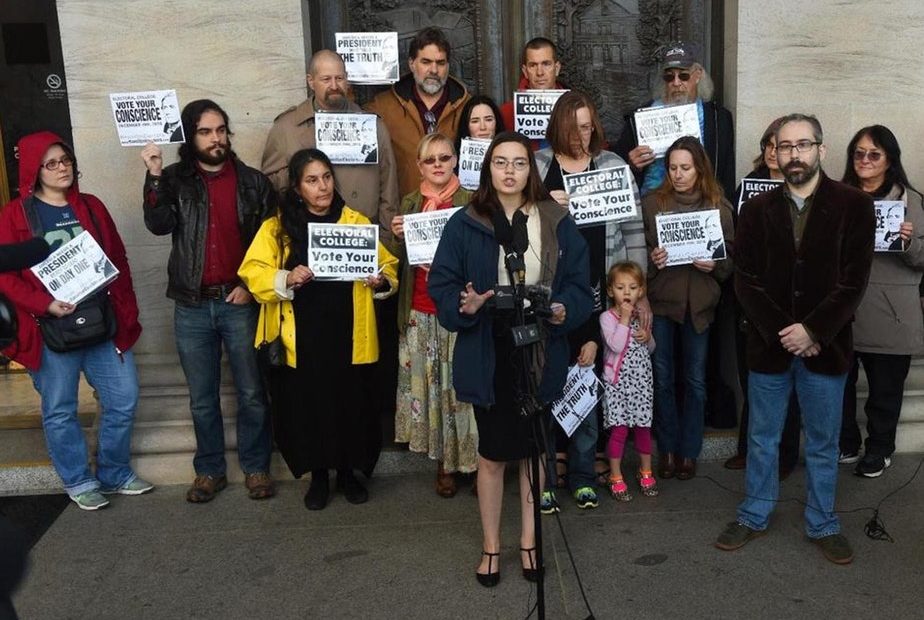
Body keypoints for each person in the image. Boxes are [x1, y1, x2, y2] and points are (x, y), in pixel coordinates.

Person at [428, 132, 592, 587]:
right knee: (495, 453)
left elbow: (580, 284)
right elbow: (441, 284)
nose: (509, 172)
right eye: (500, 162)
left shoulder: (556, 219)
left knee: (535, 450)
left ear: (531, 170)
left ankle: (530, 542)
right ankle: (490, 546)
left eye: (519, 163)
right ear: (488, 169)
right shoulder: (466, 222)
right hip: (489, 347)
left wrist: (565, 309)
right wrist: (464, 306)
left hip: (540, 345)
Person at [715, 113, 875, 565]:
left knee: (823, 442)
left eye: (803, 145)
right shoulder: (756, 209)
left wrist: (813, 331)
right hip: (769, 348)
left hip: (827, 347)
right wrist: (785, 333)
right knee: (763, 438)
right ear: (775, 153)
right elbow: (746, 281)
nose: (794, 154)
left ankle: (823, 522)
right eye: (785, 147)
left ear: (821, 150)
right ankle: (754, 513)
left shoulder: (854, 206)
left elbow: (853, 282)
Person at [238, 148, 398, 510]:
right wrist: (285, 276)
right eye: (312, 180)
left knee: (350, 404)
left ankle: (347, 473)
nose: (322, 187)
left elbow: (388, 267)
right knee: (310, 407)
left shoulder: (355, 222)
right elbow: (252, 271)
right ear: (296, 188)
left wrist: (381, 280)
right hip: (302, 336)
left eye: (326, 177)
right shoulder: (277, 228)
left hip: (348, 332)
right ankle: (319, 477)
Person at [0, 131, 152, 510]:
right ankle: (79, 479)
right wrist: (43, 304)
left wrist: (126, 310)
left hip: (102, 321)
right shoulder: (14, 215)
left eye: (65, 160)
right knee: (60, 408)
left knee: (123, 398)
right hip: (49, 328)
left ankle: (114, 473)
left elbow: (117, 257)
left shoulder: (92, 206)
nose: (61, 168)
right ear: (35, 171)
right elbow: (4, 275)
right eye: (51, 163)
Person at [141, 99, 276, 503]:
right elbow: (158, 224)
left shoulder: (254, 183)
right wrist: (152, 176)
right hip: (191, 305)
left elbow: (274, 243)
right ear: (190, 136)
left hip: (239, 303)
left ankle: (256, 468)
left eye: (220, 130)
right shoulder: (174, 180)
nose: (216, 138)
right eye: (205, 131)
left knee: (252, 391)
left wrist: (251, 287)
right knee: (202, 397)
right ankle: (210, 470)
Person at [534, 90, 647, 511]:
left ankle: (583, 467)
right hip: (548, 293)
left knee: (589, 379)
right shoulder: (539, 166)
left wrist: (639, 293)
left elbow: (633, 230)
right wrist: (545, 204)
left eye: (587, 126)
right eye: (573, 127)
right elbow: (517, 219)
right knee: (546, 382)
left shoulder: (613, 165)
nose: (582, 134)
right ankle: (546, 467)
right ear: (557, 127)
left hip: (602, 290)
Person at [390, 134, 477, 497]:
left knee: (462, 390)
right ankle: (444, 463)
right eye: (430, 160)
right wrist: (397, 236)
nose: (438, 165)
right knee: (434, 392)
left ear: (455, 160)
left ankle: (474, 462)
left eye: (444, 157)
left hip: (457, 310)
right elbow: (400, 262)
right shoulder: (411, 204)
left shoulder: (471, 202)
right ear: (419, 166)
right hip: (420, 308)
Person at [643, 136, 734, 481]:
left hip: (699, 305)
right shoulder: (652, 203)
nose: (678, 174)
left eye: (685, 168)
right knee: (663, 378)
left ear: (700, 169)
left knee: (695, 380)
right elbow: (639, 256)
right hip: (663, 302)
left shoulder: (719, 207)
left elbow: (731, 262)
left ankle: (689, 451)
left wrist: (717, 265)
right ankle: (666, 448)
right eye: (672, 168)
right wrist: (653, 262)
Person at [839, 125, 924, 477]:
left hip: (891, 311)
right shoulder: (837, 197)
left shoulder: (911, 200)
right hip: (843, 309)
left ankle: (879, 449)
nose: (865, 160)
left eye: (874, 154)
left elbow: (922, 258)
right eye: (858, 153)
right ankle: (845, 443)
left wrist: (907, 242)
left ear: (889, 160)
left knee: (885, 391)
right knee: (836, 386)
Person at [724, 118, 802, 478]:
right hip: (750, 300)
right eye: (770, 146)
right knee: (752, 376)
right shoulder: (746, 189)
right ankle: (748, 448)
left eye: (782, 146)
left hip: (791, 300)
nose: (775, 153)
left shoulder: (804, 192)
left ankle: (785, 454)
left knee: (789, 380)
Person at [261, 49, 399, 239]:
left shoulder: (373, 126)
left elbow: (389, 189)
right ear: (311, 81)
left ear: (347, 79)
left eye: (339, 78)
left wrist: (386, 241)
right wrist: (300, 175)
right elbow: (268, 188)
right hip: (305, 239)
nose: (334, 86)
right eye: (326, 79)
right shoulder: (286, 127)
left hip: (362, 238)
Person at [366, 26, 471, 198]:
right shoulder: (383, 106)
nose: (434, 70)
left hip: (455, 214)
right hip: (403, 213)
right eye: (426, 62)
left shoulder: (468, 107)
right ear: (412, 64)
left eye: (440, 63)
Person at [599, 261, 657, 501]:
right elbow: (615, 345)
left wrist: (648, 337)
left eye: (632, 288)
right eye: (621, 287)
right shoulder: (607, 318)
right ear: (611, 291)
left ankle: (646, 470)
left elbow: (651, 349)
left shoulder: (641, 316)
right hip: (618, 384)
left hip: (641, 383)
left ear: (640, 291)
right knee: (620, 430)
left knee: (643, 428)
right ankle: (615, 475)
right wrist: (623, 319)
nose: (627, 293)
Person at [499, 37, 566, 150]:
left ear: (557, 68)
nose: (540, 72)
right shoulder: (507, 113)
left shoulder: (576, 109)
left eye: (546, 64)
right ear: (525, 71)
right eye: (533, 65)